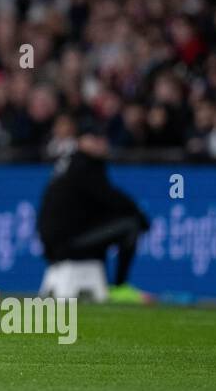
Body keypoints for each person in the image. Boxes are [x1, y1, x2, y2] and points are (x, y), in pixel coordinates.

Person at [36, 130, 152, 303]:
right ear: (82, 141)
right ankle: (120, 286)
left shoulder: (69, 163)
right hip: (66, 243)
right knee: (130, 225)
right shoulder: (84, 165)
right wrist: (139, 215)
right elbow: (109, 197)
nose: (102, 143)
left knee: (106, 226)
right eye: (95, 138)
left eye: (103, 138)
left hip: (56, 243)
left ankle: (105, 284)